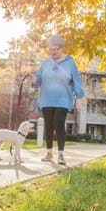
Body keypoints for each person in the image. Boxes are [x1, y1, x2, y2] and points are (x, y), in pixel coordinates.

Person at [35, 34, 84, 165]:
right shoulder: (46, 63)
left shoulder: (70, 62)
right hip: (46, 98)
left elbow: (76, 81)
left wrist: (78, 98)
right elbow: (38, 80)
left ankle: (61, 155)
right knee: (49, 125)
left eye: (55, 49)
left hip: (63, 98)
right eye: (50, 49)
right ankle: (49, 153)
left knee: (58, 123)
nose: (52, 52)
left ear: (62, 48)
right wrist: (33, 80)